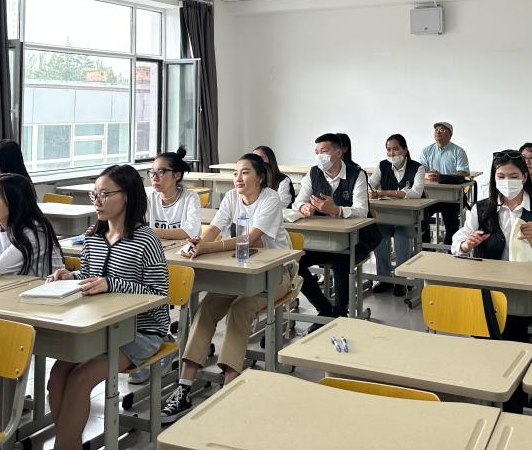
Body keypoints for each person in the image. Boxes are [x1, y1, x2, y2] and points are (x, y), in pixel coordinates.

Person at [161, 154, 292, 423]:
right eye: (235, 173)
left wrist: (209, 248)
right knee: (207, 306)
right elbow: (214, 228)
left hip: (277, 273)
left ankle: (229, 386)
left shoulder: (270, 199)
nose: (238, 178)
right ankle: (184, 386)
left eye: (245, 172)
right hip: (241, 270)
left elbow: (251, 238)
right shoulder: (232, 197)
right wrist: (198, 244)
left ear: (260, 177)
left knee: (241, 308)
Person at [46, 165, 169, 450]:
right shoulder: (93, 236)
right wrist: (71, 276)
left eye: (105, 194)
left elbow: (159, 294)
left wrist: (111, 284)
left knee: (80, 380)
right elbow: (91, 276)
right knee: (58, 375)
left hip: (141, 331)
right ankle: (69, 443)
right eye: (94, 195)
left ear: (126, 196)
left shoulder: (146, 240)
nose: (97, 202)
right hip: (100, 326)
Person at [451, 149, 532, 412]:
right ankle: (489, 393)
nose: (507, 181)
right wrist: (467, 244)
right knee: (488, 341)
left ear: (524, 177)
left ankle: (513, 399)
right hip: (488, 292)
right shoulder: (483, 207)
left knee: (512, 339)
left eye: (514, 176)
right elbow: (457, 244)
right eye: (501, 176)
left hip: (526, 295)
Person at [293, 133, 381, 322]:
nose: (319, 156)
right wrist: (303, 207)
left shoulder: (357, 174)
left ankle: (341, 312)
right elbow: (298, 201)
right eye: (316, 152)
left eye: (323, 151)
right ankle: (325, 310)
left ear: (339, 152)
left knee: (341, 261)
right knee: (294, 263)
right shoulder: (313, 173)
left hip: (357, 238)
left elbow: (362, 210)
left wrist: (336, 210)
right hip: (324, 238)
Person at [368, 134, 425, 297]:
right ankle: (384, 278)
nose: (392, 153)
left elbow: (415, 193)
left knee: (401, 237)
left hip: (408, 218)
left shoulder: (418, 168)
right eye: (389, 149)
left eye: (396, 149)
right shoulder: (382, 165)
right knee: (378, 236)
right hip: (387, 216)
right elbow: (370, 185)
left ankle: (401, 279)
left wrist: (385, 192)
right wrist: (371, 192)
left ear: (405, 150)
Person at [419, 121, 470, 244]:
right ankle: (426, 248)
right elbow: (420, 172)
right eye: (436, 130)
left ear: (450, 134)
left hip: (452, 197)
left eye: (442, 130)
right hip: (430, 195)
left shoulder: (458, 151)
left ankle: (449, 249)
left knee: (451, 221)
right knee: (420, 216)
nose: (438, 132)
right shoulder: (426, 150)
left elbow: (463, 172)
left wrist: (442, 177)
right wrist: (426, 175)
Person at [147, 147, 201, 241]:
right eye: (152, 172)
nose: (154, 178)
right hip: (157, 248)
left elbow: (191, 232)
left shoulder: (190, 197)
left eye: (161, 172)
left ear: (177, 175)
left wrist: (149, 232)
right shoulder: (148, 197)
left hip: (184, 248)